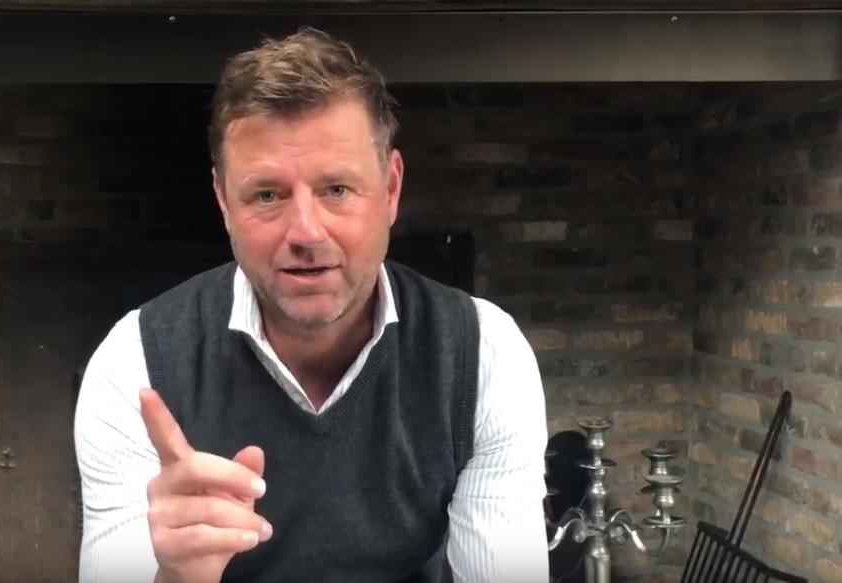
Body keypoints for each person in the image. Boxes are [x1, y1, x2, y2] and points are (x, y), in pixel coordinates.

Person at [74, 27, 549, 583]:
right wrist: (177, 576)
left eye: (337, 190)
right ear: (223, 202)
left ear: (390, 190)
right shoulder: (135, 364)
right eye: (267, 195)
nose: (306, 232)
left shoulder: (483, 354)